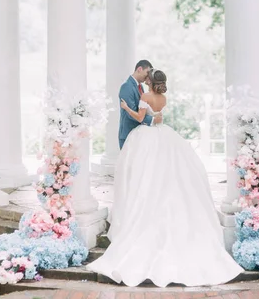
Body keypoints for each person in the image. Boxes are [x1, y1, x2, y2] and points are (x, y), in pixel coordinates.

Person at [90, 69, 243, 287]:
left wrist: (126, 108)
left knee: (145, 174)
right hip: (164, 134)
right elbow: (158, 117)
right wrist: (152, 117)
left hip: (146, 137)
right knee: (168, 173)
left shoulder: (144, 97)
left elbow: (141, 118)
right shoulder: (163, 98)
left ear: (150, 81)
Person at [118, 59, 162, 150]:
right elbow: (131, 113)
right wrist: (153, 119)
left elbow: (142, 108)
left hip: (138, 133)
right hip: (128, 134)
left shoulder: (140, 86)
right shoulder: (127, 86)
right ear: (139, 69)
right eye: (147, 72)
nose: (147, 76)